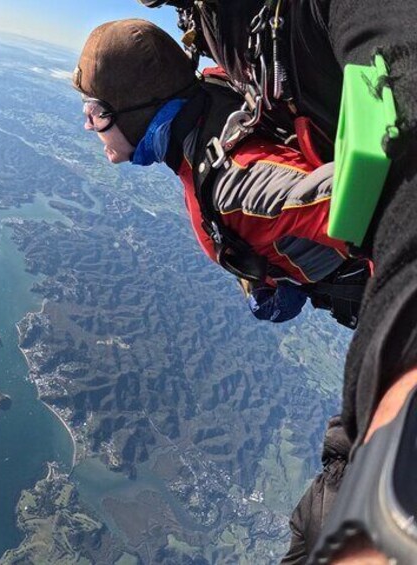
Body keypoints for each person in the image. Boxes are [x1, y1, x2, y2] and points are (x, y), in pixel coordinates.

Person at [136, 2, 417, 562]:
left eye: (97, 114)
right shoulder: (219, 105)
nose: (196, 30)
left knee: (318, 525)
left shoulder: (235, 183)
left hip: (388, 343)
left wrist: (387, 501)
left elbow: (344, 200)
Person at [73, 19, 367, 330]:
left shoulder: (236, 186)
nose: (89, 126)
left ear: (136, 112)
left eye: (95, 113)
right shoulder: (209, 101)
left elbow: (373, 203)